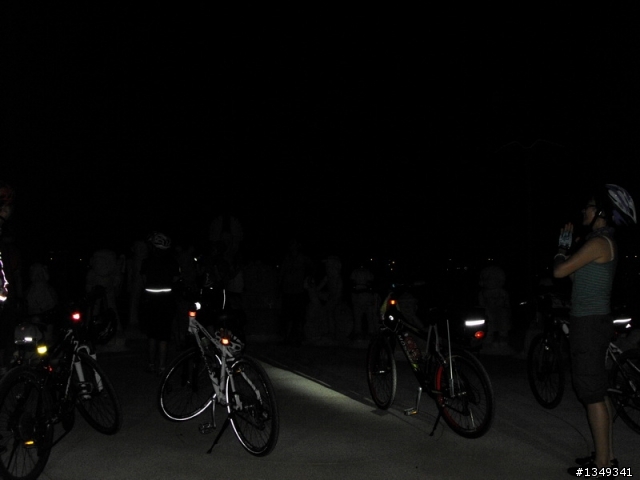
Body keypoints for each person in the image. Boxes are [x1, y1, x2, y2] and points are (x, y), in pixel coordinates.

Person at [553, 184, 636, 475]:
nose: (584, 211)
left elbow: (559, 271)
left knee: (591, 394)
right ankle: (607, 457)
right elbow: (575, 277)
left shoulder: (599, 243)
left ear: (602, 212)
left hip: (588, 324)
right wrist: (571, 254)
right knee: (598, 391)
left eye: (589, 206)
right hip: (593, 322)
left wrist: (562, 250)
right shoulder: (600, 241)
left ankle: (602, 467)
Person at [140, 231, 181, 375]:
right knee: (164, 335)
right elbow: (176, 279)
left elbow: (143, 280)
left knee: (152, 334)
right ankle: (162, 367)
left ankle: (151, 364)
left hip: (151, 301)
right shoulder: (172, 261)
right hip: (166, 301)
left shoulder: (147, 261)